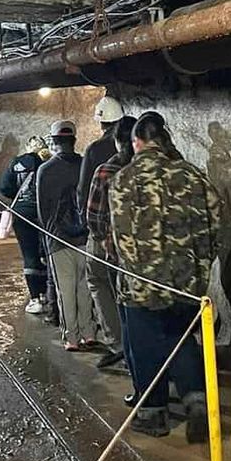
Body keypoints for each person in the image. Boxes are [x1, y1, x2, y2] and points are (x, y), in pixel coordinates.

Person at [109, 112, 221, 441]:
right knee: (181, 339)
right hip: (186, 281)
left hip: (142, 284)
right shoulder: (192, 175)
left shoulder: (124, 179)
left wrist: (133, 271)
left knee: (145, 347)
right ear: (163, 139)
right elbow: (215, 220)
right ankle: (196, 400)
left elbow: (120, 235)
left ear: (136, 142)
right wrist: (201, 264)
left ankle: (153, 414)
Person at [36, 120, 96, 350]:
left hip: (58, 238)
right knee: (84, 287)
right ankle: (89, 332)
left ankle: (71, 338)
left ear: (54, 141)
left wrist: (46, 240)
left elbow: (42, 211)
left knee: (65, 290)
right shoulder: (85, 165)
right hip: (84, 237)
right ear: (74, 140)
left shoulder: (46, 170)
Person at [85, 115, 135, 371]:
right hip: (142, 250)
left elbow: (93, 214)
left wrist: (102, 239)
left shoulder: (106, 170)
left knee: (99, 282)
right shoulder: (150, 170)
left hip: (107, 244)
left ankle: (118, 344)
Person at [0, 136, 47, 311]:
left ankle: (35, 299)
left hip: (23, 213)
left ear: (27, 147)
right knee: (47, 253)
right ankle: (48, 294)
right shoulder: (47, 162)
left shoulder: (17, 163)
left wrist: (19, 198)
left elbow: (4, 186)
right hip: (45, 213)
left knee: (29, 254)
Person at [78, 95, 125, 212]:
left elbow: (83, 189)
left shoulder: (94, 149)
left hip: (103, 211)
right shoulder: (133, 143)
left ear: (101, 123)